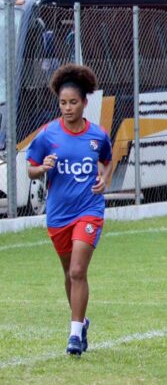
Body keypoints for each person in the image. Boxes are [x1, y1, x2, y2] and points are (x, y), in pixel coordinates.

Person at [26, 64, 112, 356]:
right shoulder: (47, 134)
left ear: (85, 102)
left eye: (73, 102)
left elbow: (107, 161)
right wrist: (42, 168)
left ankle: (74, 335)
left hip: (89, 210)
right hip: (59, 214)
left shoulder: (98, 135)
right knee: (68, 273)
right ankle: (82, 321)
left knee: (78, 270)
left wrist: (104, 179)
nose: (67, 108)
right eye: (63, 103)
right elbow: (30, 169)